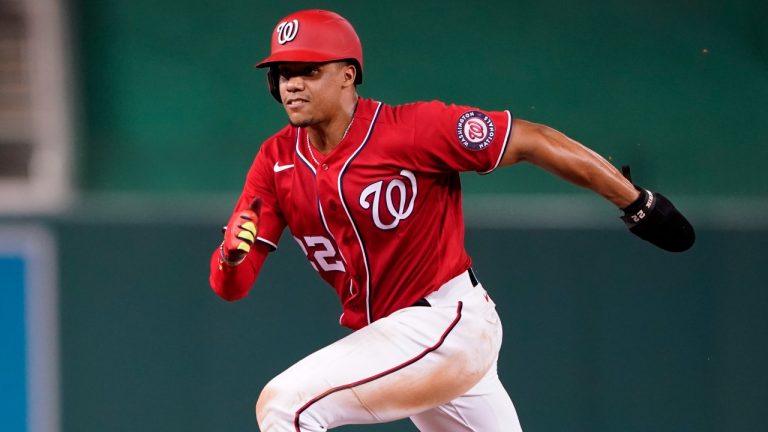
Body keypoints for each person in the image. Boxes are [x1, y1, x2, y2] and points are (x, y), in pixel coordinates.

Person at [209, 9, 694, 432]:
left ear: (348, 75)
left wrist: (635, 201)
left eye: (307, 69)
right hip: (399, 341)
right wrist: (232, 256)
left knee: (286, 406)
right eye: (281, 73)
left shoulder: (411, 130)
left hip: (443, 321)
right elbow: (233, 285)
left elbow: (530, 138)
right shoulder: (276, 160)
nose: (291, 83)